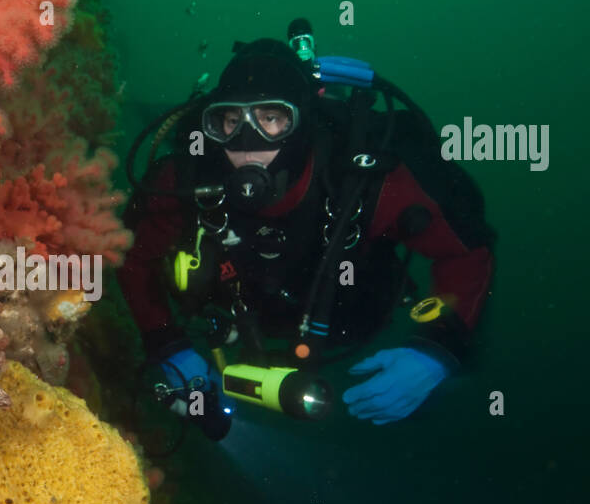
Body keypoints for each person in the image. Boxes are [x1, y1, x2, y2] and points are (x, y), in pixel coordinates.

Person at [118, 29, 496, 437]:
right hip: (234, 323)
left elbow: (467, 251)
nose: (247, 144)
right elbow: (130, 257)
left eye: (271, 119)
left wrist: (438, 347)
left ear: (301, 121)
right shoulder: (186, 179)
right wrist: (165, 341)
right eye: (230, 121)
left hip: (346, 324)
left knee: (441, 405)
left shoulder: (367, 179)